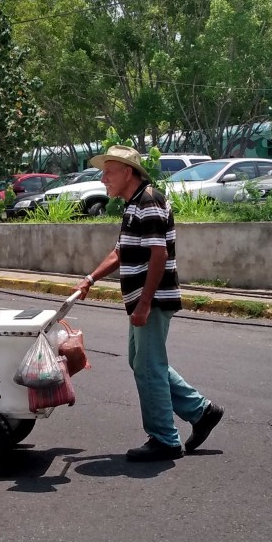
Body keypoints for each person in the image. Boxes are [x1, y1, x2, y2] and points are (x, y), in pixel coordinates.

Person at [74, 145, 224, 462]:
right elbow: (120, 252)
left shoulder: (149, 201)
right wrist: (90, 279)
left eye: (109, 172)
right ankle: (201, 411)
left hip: (151, 300)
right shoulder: (133, 205)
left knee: (148, 366)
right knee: (142, 362)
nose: (103, 179)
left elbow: (159, 255)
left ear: (128, 172)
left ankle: (165, 439)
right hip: (142, 301)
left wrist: (144, 304)